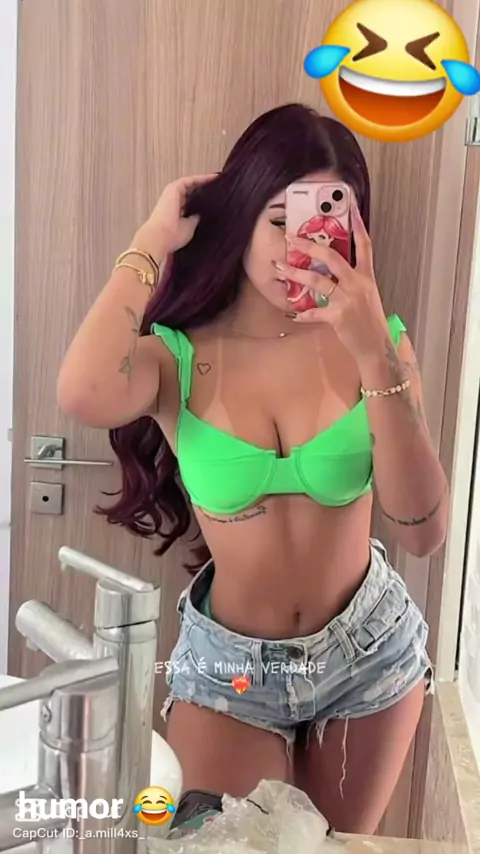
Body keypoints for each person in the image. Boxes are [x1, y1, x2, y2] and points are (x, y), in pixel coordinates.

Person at [57, 103, 448, 834]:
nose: (301, 248)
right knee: (220, 848)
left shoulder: (381, 348)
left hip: (368, 651)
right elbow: (83, 391)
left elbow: (423, 532)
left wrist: (373, 354)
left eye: (326, 225)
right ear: (240, 217)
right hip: (230, 670)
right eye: (279, 220)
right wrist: (152, 240)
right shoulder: (178, 357)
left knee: (336, 852)